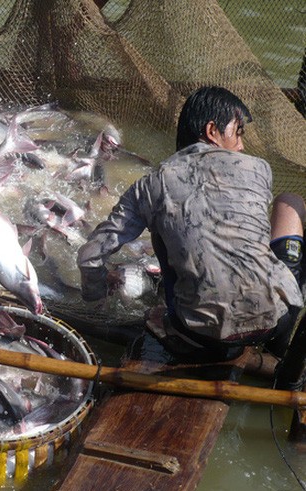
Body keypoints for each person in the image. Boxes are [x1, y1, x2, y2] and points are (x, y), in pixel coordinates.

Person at [77, 86, 304, 362]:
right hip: (277, 318)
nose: (241, 145)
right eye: (238, 132)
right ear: (212, 131)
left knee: (162, 227)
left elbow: (90, 255)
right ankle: (278, 353)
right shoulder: (258, 168)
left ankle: (178, 320)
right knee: (291, 202)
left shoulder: (151, 184)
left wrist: (95, 299)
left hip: (200, 334)